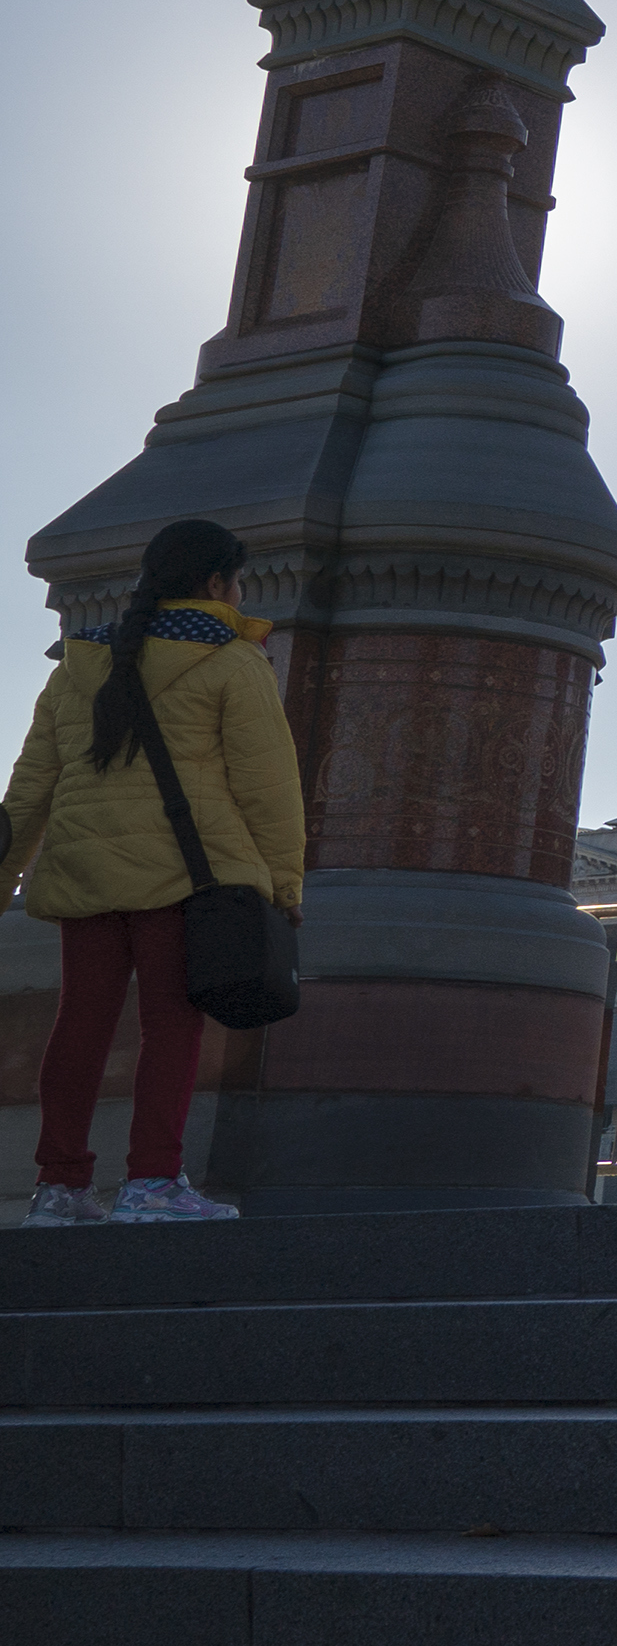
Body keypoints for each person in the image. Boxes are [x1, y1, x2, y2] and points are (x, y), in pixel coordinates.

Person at [6, 517, 303, 1225]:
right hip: (185, 877)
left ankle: (59, 1187)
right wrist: (285, 885)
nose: (239, 593)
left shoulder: (76, 667)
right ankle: (151, 1182)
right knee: (171, 1024)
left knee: (79, 1024)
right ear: (213, 584)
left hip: (85, 874)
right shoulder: (232, 662)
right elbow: (269, 787)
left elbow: (28, 791)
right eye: (237, 581)